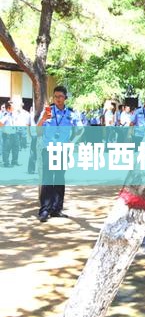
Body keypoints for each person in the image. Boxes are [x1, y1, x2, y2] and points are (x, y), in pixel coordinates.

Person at [37, 86, 83, 222]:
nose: (58, 99)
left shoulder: (71, 114)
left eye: (60, 96)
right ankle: (45, 210)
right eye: (55, 96)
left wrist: (72, 142)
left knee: (59, 179)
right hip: (48, 149)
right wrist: (43, 119)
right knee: (47, 179)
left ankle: (56, 209)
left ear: (65, 98)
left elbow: (80, 130)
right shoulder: (48, 111)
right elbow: (37, 131)